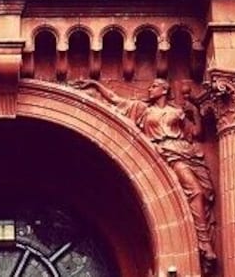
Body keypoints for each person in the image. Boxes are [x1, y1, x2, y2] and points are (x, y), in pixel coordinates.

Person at [72, 77, 217, 274]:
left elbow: (197, 133)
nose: (150, 90)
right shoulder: (143, 110)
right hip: (164, 154)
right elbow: (115, 100)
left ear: (165, 90)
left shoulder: (177, 112)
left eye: (155, 86)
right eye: (150, 87)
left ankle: (203, 242)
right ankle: (204, 244)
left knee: (198, 192)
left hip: (184, 153)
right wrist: (96, 85)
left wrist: (194, 111)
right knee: (193, 191)